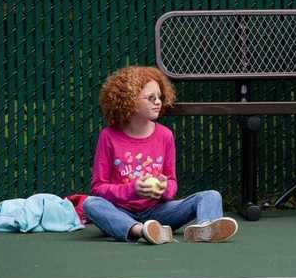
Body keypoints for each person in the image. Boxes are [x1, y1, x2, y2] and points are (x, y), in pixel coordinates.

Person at [83, 66, 239, 243]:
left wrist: (164, 189)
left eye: (159, 97)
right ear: (129, 100)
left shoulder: (165, 135)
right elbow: (98, 188)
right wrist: (132, 190)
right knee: (91, 204)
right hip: (121, 212)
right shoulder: (108, 136)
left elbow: (172, 183)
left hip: (159, 212)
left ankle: (205, 228)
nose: (158, 102)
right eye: (151, 98)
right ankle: (141, 231)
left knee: (211, 195)